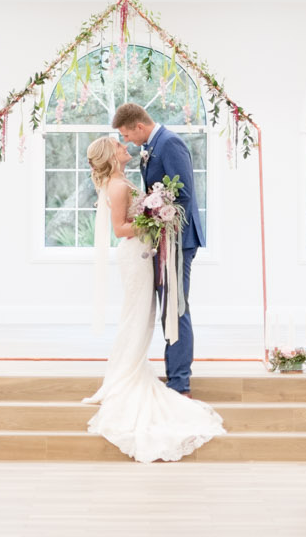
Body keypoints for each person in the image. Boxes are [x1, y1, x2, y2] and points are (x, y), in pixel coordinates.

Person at [80, 134, 225, 462]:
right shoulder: (117, 187)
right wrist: (153, 218)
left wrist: (152, 216)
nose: (124, 146)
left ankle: (132, 369)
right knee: (137, 317)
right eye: (119, 145)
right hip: (136, 256)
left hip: (144, 254)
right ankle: (125, 376)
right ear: (112, 155)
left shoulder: (120, 181)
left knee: (143, 317)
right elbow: (119, 228)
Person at [111, 101, 203, 394]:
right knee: (168, 309)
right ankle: (173, 374)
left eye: (127, 135)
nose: (128, 141)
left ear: (140, 126)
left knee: (175, 309)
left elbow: (183, 194)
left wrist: (151, 216)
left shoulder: (170, 143)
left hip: (177, 240)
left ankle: (179, 382)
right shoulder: (151, 147)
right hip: (162, 240)